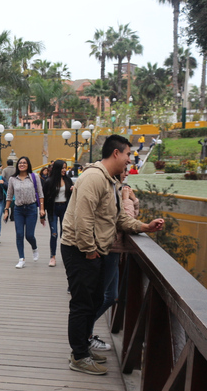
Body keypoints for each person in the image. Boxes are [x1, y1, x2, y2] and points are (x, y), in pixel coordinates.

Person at [60, 135, 164, 375]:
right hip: (80, 250)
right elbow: (82, 218)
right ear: (116, 153)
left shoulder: (111, 182)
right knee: (82, 303)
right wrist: (89, 251)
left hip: (94, 250)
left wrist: (144, 227)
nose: (130, 159)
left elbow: (116, 217)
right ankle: (78, 356)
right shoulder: (94, 178)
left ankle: (83, 349)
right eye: (128, 154)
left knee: (94, 300)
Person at [90, 168, 140, 351]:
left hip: (115, 250)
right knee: (103, 296)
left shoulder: (120, 188)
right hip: (109, 248)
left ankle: (85, 331)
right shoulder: (113, 190)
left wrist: (133, 200)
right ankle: (84, 333)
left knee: (111, 296)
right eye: (124, 170)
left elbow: (134, 217)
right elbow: (127, 219)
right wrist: (128, 200)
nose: (126, 172)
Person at [3, 156, 45, 269]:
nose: (22, 164)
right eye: (20, 163)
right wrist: (6, 210)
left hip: (31, 208)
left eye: (24, 163)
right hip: (18, 209)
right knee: (19, 234)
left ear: (28, 165)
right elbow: (9, 195)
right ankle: (21, 259)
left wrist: (41, 209)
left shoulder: (34, 177)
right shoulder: (12, 179)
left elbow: (41, 194)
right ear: (17, 165)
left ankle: (34, 247)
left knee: (29, 235)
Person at [42, 159, 73, 268]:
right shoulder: (49, 182)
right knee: (54, 233)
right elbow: (44, 198)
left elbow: (73, 194)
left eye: (65, 168)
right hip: (53, 209)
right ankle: (52, 256)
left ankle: (65, 256)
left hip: (65, 208)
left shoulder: (68, 180)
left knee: (64, 234)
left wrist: (73, 189)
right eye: (63, 168)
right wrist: (42, 214)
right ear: (57, 169)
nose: (64, 170)